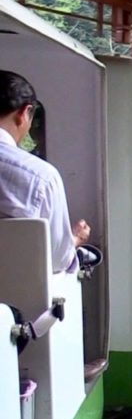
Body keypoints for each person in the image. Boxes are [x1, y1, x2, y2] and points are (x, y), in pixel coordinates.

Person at [0, 70, 90, 273]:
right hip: (13, 301)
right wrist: (75, 239)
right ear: (24, 113)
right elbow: (57, 260)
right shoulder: (41, 177)